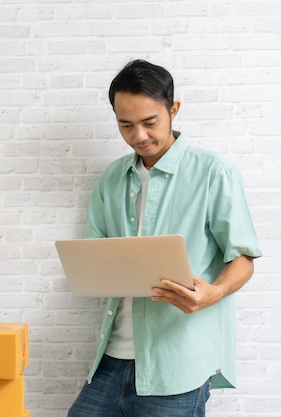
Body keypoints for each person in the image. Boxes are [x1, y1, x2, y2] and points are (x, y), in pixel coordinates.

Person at [67, 59, 262, 417]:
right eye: (125, 125)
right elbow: (93, 256)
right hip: (111, 358)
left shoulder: (214, 173)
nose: (138, 136)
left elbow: (244, 257)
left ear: (173, 109)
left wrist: (213, 293)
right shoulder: (111, 178)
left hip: (178, 361)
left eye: (149, 122)